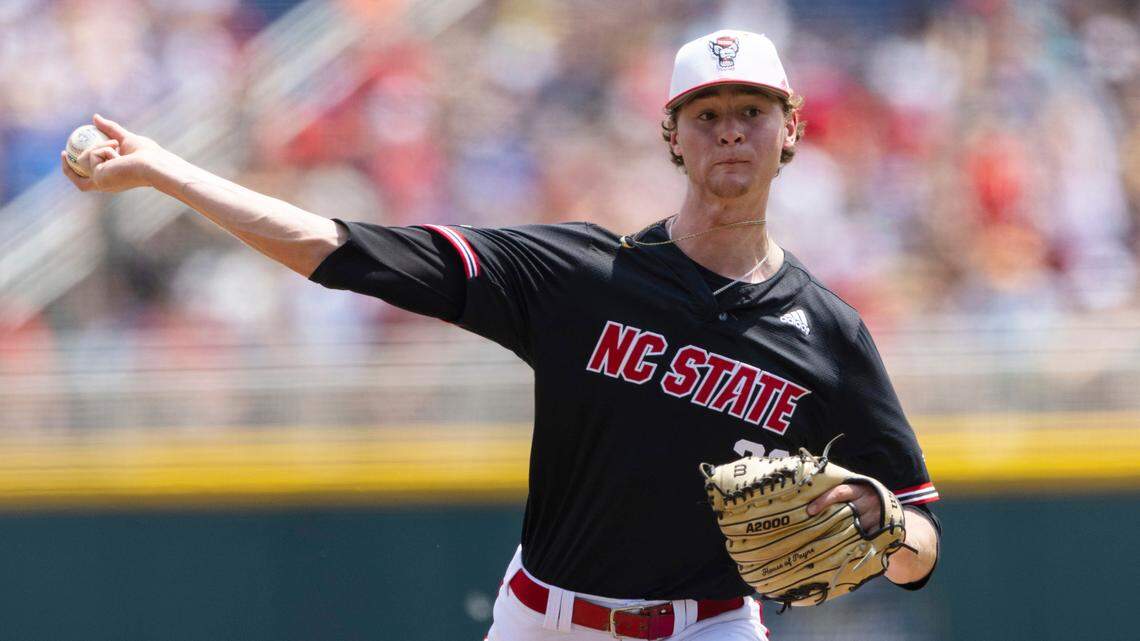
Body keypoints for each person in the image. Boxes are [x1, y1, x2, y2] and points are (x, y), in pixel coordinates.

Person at [63, 29, 940, 641]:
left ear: (791, 129)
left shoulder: (827, 331)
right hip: (547, 617)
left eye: (751, 111)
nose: (730, 132)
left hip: (708, 624)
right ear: (671, 135)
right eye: (706, 114)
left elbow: (924, 547)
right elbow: (343, 251)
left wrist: (886, 523)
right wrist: (167, 172)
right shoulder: (580, 277)